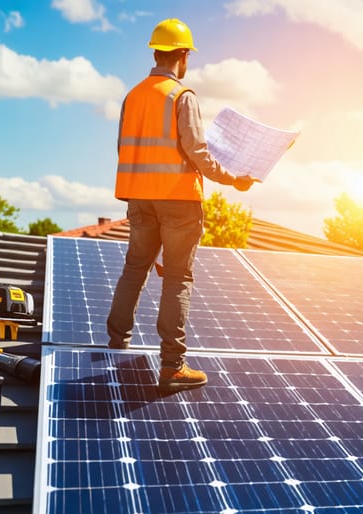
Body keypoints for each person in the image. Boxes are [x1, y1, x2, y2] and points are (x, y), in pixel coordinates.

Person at [106, 18, 254, 393]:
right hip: (178, 201)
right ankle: (172, 366)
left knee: (135, 268)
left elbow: (124, 147)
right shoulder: (182, 96)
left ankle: (117, 340)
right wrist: (233, 178)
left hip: (139, 196)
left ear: (155, 51)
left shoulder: (133, 95)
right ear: (183, 55)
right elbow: (197, 152)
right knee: (177, 278)